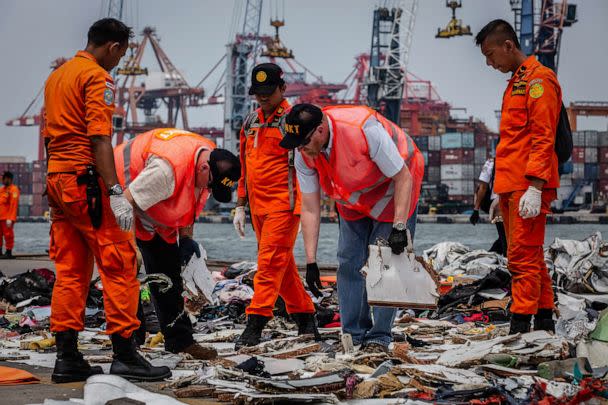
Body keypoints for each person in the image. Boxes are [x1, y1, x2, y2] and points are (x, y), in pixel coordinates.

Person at [43, 18, 170, 383]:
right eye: (121, 54)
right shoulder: (98, 77)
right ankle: (126, 354)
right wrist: (115, 191)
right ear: (114, 47)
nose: (118, 62)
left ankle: (67, 357)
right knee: (120, 262)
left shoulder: (57, 76)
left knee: (70, 270)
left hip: (58, 179)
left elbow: (52, 138)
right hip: (86, 182)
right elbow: (100, 139)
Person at [280, 103, 424, 353]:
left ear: (321, 130)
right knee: (348, 260)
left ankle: (380, 334)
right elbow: (311, 208)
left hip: (394, 190)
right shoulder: (304, 152)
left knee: (385, 260)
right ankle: (353, 333)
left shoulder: (363, 130)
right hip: (353, 198)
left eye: (303, 141)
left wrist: (399, 227)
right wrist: (311, 261)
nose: (300, 148)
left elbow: (402, 178)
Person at [114, 128, 241, 359]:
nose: (210, 191)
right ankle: (128, 345)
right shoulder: (166, 171)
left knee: (169, 278)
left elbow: (191, 201)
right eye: (211, 185)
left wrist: (187, 240)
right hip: (120, 201)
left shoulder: (206, 162)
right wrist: (129, 245)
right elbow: (124, 205)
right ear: (204, 169)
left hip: (154, 212)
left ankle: (180, 342)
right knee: (125, 270)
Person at [476, 19, 561, 334]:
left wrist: (536, 188)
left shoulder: (540, 81)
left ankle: (521, 326)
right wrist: (498, 194)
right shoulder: (516, 83)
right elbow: (510, 144)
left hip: (527, 186)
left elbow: (543, 137)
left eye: (490, 54)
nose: (489, 63)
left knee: (521, 260)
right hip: (512, 186)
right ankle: (545, 319)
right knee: (531, 258)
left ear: (508, 46)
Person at [232, 63, 318, 348]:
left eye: (269, 92)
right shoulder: (250, 123)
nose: (263, 97)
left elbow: (310, 163)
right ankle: (306, 318)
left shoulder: (293, 121)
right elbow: (244, 165)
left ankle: (255, 323)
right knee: (283, 268)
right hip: (257, 207)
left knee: (268, 265)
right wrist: (240, 205)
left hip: (284, 204)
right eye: (258, 93)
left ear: (283, 88)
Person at [470, 158, 507, 255]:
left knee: (505, 237)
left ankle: (490, 256)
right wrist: (476, 210)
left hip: (501, 205)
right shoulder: (491, 163)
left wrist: (476, 210)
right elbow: (482, 187)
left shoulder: (491, 162)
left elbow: (482, 187)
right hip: (499, 206)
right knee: (505, 237)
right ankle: (499, 258)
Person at [0, 171, 20, 258]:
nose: (3, 181)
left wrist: (10, 218)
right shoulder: (1, 190)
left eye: (4, 179)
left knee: (8, 236)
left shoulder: (14, 190)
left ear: (9, 179)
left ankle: (8, 252)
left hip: (7, 218)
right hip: (0, 217)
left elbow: (13, 205)